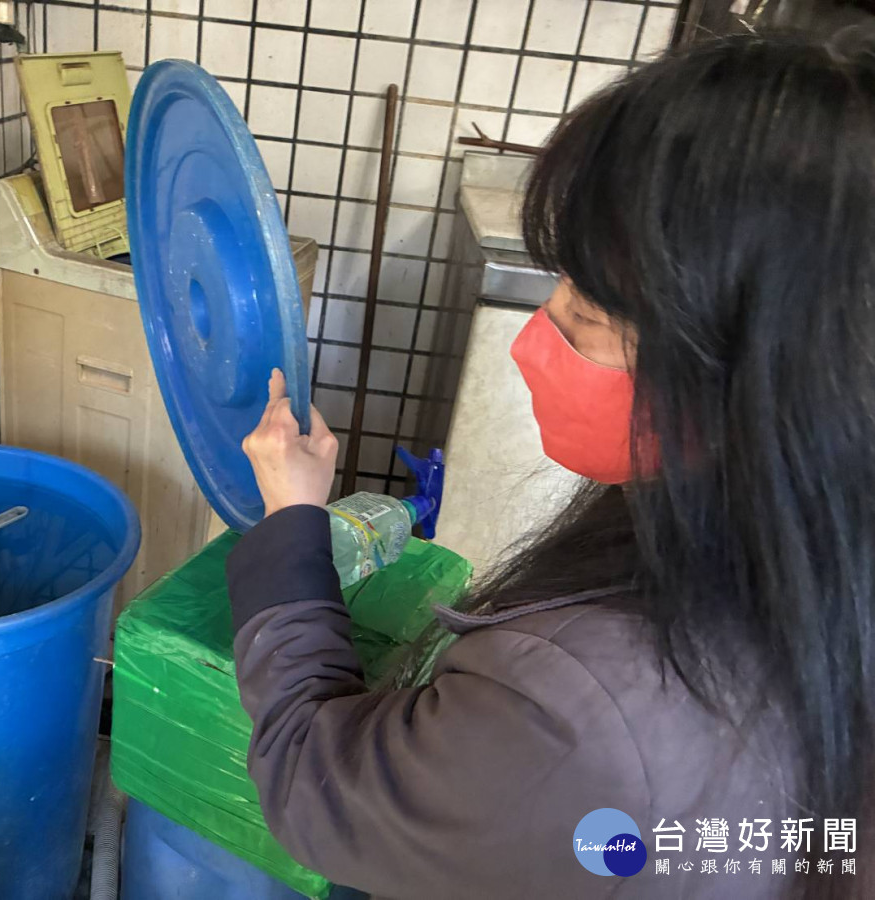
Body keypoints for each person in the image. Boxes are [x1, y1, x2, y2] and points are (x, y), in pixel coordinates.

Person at [225, 27, 875, 900]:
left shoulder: (583, 712)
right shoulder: (817, 550)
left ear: (757, 375)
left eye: (590, 310)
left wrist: (292, 523)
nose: (542, 334)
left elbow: (320, 787)